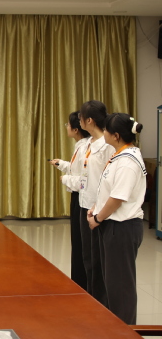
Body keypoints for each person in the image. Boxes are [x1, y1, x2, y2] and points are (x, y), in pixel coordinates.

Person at [87, 113, 145, 324]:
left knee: (121, 287)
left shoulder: (128, 162)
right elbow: (109, 189)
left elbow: (118, 198)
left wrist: (98, 218)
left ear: (116, 136)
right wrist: (95, 207)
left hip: (121, 228)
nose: (104, 133)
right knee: (112, 283)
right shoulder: (120, 155)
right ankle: (114, 327)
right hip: (112, 225)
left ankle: (125, 331)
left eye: (106, 131)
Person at [77, 100, 114, 306]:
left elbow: (109, 179)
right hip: (85, 203)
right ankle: (91, 298)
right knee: (88, 257)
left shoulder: (107, 146)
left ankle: (100, 302)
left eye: (81, 117)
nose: (79, 121)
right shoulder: (88, 143)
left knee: (98, 260)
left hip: (99, 208)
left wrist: (99, 210)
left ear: (89, 120)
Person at [49, 111, 90, 290]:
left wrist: (65, 179)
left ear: (76, 129)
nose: (66, 127)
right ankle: (78, 282)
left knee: (81, 243)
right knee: (78, 241)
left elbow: (83, 180)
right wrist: (62, 164)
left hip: (82, 198)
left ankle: (82, 284)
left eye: (68, 125)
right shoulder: (80, 146)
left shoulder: (85, 147)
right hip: (78, 197)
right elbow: (76, 170)